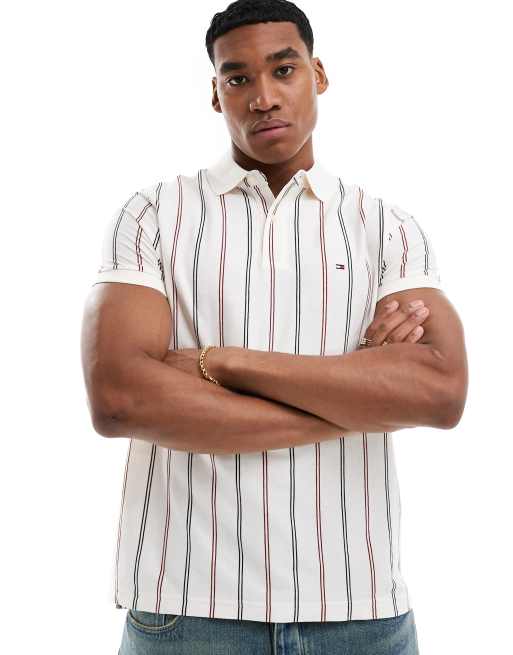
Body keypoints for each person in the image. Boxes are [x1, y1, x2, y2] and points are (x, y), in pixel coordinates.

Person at [80, 0, 468, 652]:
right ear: (216, 94)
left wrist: (221, 362)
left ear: (318, 74)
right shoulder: (152, 215)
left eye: (283, 69)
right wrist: (357, 402)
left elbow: (440, 393)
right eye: (238, 78)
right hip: (188, 607)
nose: (262, 97)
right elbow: (120, 399)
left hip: (359, 608)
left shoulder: (386, 228)